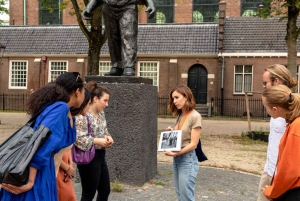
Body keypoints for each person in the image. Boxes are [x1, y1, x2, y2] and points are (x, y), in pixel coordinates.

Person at [0, 72, 85, 201]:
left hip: (38, 168)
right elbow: (43, 142)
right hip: (37, 172)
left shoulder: (58, 108)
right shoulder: (60, 108)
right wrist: (30, 181)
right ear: (78, 91)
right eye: (84, 91)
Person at [81, 0, 155, 76]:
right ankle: (117, 66)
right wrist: (89, 8)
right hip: (108, 8)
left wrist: (150, 4)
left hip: (128, 6)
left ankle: (129, 66)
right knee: (112, 37)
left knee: (128, 35)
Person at [257, 64, 298, 201]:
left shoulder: (291, 120)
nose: (263, 86)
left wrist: (274, 188)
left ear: (276, 81)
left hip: (281, 178)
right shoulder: (284, 109)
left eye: (265, 82)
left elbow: (291, 165)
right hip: (272, 172)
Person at [75, 81, 114, 201]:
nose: (107, 104)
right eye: (105, 100)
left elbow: (104, 130)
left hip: (100, 155)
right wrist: (96, 141)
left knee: (105, 190)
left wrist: (108, 137)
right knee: (88, 194)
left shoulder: (101, 113)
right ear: (96, 99)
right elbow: (78, 139)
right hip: (88, 157)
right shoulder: (83, 115)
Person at [164, 85, 201, 201]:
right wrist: (172, 132)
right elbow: (183, 136)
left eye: (176, 97)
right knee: (180, 195)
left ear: (186, 97)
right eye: (173, 98)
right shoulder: (181, 115)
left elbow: (193, 144)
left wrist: (176, 153)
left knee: (186, 197)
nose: (174, 101)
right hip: (178, 158)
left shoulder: (195, 116)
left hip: (187, 160)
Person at [56, 88, 91, 201]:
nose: (89, 107)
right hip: (59, 168)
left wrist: (70, 162)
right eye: (89, 103)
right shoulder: (63, 119)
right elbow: (52, 151)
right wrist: (67, 167)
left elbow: (68, 145)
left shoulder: (72, 119)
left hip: (65, 165)